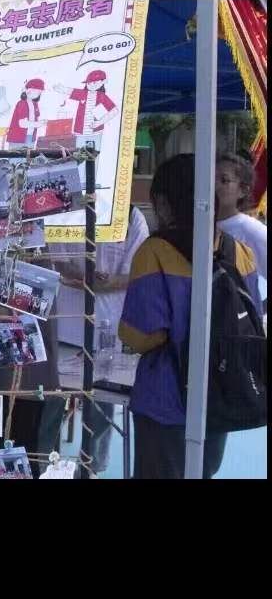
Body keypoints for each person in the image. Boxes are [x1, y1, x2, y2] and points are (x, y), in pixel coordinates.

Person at [119, 154, 261, 479]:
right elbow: (252, 316)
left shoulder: (155, 251)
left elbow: (143, 334)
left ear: (164, 202)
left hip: (165, 399)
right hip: (221, 394)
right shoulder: (239, 251)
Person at [50, 204, 150, 475]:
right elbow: (56, 261)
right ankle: (47, 464)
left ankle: (91, 468)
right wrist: (83, 276)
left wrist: (101, 281)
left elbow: (136, 272)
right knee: (52, 400)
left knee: (102, 405)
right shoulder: (65, 208)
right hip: (65, 322)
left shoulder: (131, 216)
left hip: (109, 326)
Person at [216, 153, 267, 308]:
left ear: (243, 190)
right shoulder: (197, 225)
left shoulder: (253, 231)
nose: (215, 185)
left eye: (224, 180)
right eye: (212, 177)